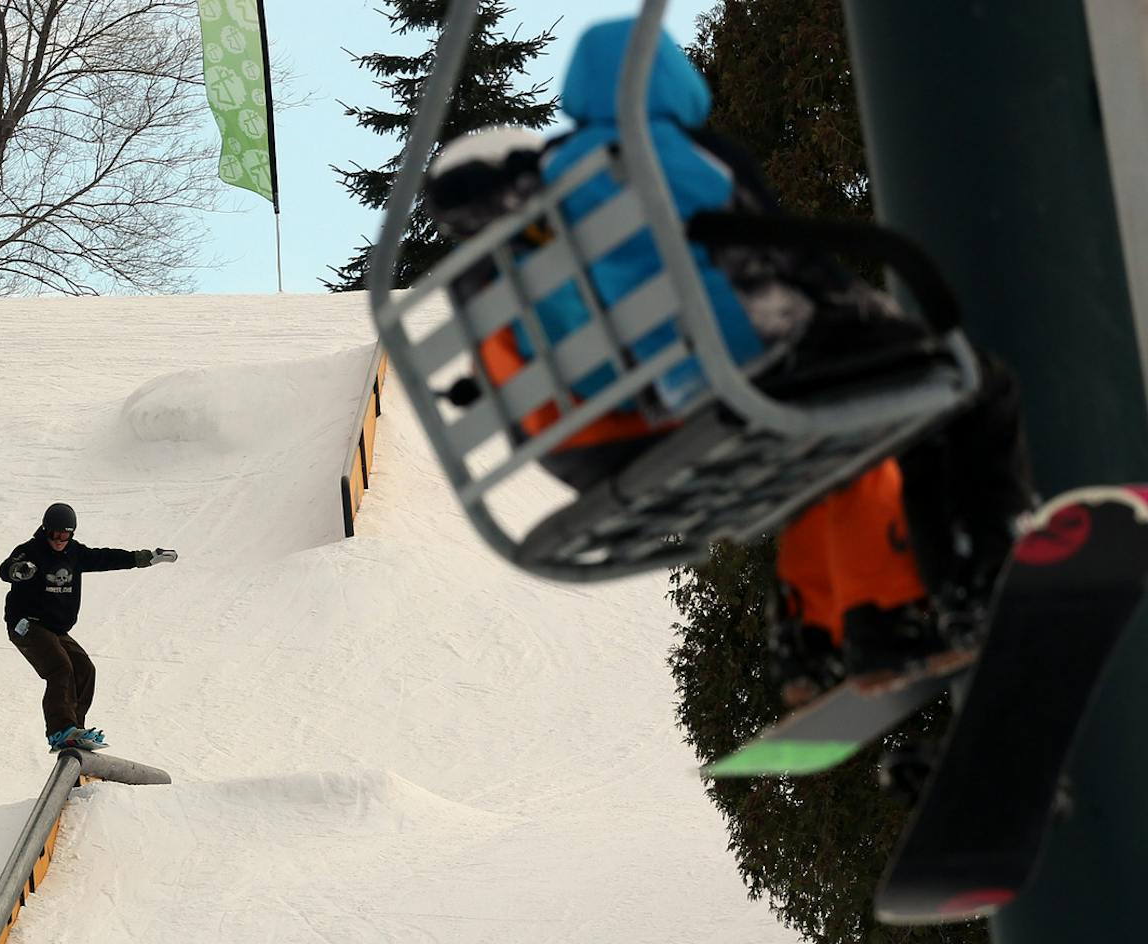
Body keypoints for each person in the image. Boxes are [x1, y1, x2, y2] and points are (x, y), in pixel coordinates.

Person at [425, 18, 1032, 707]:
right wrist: (853, 301)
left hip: (682, 385)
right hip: (765, 352)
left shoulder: (553, 192)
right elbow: (759, 245)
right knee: (976, 386)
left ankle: (878, 619)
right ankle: (986, 570)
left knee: (886, 433)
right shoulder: (662, 154)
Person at [0, 502, 177, 751]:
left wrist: (144, 558)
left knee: (84, 669)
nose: (61, 539)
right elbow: (5, 569)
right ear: (45, 529)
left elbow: (106, 557)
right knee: (59, 667)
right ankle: (60, 730)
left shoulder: (75, 553)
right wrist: (18, 571)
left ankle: (74, 730)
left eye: (66, 534)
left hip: (56, 629)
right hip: (26, 624)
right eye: (56, 534)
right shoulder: (30, 551)